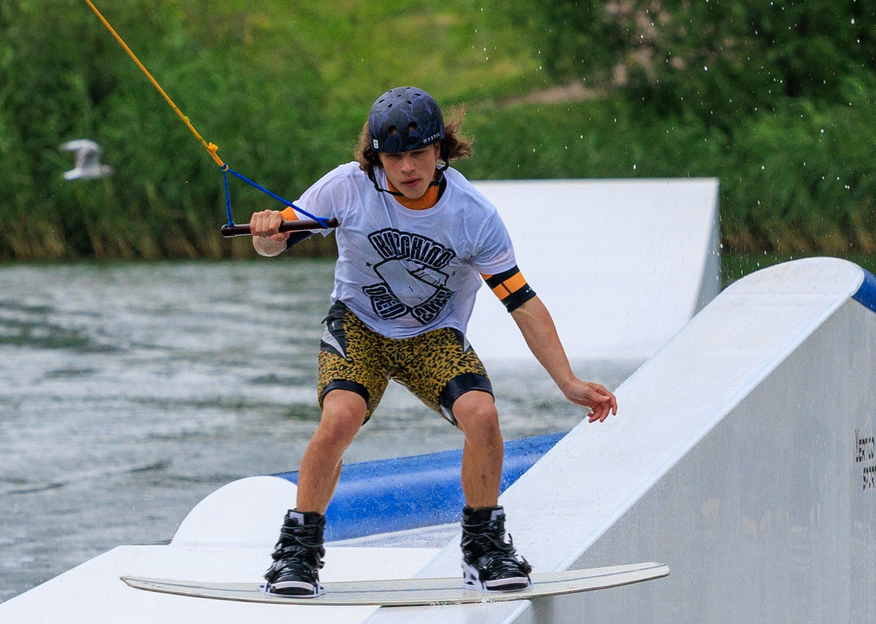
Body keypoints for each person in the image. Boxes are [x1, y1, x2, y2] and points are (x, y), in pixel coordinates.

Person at [246, 87, 619, 597]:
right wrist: (267, 231)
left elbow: (522, 302)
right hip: (358, 327)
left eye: (419, 152)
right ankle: (297, 555)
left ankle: (483, 547)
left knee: (483, 415)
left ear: (440, 149)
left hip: (432, 339)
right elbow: (272, 244)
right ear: (376, 157)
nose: (407, 167)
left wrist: (568, 381)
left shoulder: (472, 214)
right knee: (340, 418)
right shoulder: (348, 187)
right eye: (394, 156)